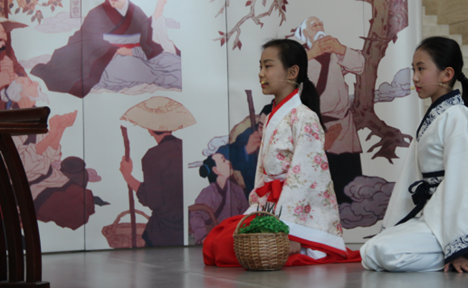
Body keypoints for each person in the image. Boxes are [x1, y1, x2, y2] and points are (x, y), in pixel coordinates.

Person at [203, 39, 361, 267]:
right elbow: (262, 173)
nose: (261, 73)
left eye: (268, 66)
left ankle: (299, 243)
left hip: (295, 216)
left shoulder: (305, 117)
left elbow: (307, 176)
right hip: (270, 206)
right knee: (215, 241)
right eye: (260, 67)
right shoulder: (271, 118)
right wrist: (258, 207)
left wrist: (289, 231)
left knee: (225, 247)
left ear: (292, 72)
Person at [361, 37, 468, 273]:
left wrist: (458, 248)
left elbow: (462, 178)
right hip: (430, 212)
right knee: (369, 251)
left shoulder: (458, 115)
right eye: (413, 70)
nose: (415, 77)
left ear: (446, 74)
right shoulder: (437, 115)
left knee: (384, 252)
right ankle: (467, 250)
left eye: (421, 69)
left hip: (448, 214)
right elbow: (412, 174)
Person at [31, 0, 181, 98]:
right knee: (134, 68)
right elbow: (86, 39)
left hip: (133, 53)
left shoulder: (136, 12)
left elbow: (147, 38)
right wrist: (114, 50)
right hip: (104, 57)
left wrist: (134, 51)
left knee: (170, 61)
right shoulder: (97, 13)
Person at [294, 17, 365, 204]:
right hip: (314, 127)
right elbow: (286, 76)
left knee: (349, 180)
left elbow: (360, 65)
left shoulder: (334, 51)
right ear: (304, 33)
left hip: (342, 124)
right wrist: (311, 54)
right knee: (319, 183)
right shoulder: (297, 56)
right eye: (313, 25)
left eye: (320, 24)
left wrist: (340, 49)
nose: (319, 27)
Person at [119, 96, 196, 247]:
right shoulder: (185, 147)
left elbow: (153, 200)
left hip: (164, 231)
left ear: (149, 129)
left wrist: (127, 175)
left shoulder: (153, 156)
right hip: (187, 225)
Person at [189, 153, 249, 244]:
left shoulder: (237, 190)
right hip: (214, 239)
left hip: (235, 239)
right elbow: (196, 216)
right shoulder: (208, 193)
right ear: (215, 170)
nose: (229, 162)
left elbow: (246, 213)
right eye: (224, 160)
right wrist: (203, 237)